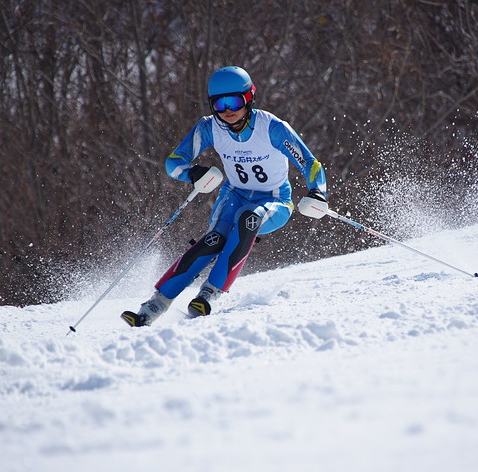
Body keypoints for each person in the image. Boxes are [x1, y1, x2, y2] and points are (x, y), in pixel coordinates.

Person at [121, 66, 328, 326]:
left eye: (234, 102)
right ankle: (153, 306)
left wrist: (317, 191)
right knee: (215, 239)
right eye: (219, 104)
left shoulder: (272, 128)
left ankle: (208, 294)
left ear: (249, 98)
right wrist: (192, 173)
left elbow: (311, 163)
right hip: (234, 195)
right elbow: (174, 162)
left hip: (275, 201)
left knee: (248, 217)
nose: (227, 110)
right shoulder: (209, 128)